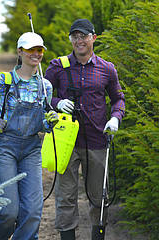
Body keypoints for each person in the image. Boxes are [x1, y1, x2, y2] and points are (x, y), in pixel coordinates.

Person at [0, 32, 59, 240]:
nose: (35, 54)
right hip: (4, 148)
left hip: (32, 150)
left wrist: (50, 122)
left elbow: (43, 125)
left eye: (39, 50)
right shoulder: (4, 81)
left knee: (33, 212)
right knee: (8, 211)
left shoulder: (45, 86)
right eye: (30, 50)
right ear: (20, 51)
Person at [44, 19, 125, 240]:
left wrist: (115, 119)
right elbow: (41, 96)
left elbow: (118, 99)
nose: (79, 41)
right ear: (70, 39)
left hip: (97, 140)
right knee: (65, 197)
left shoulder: (107, 69)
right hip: (64, 141)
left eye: (84, 36)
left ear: (93, 38)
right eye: (75, 37)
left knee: (99, 198)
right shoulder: (57, 66)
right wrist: (56, 102)